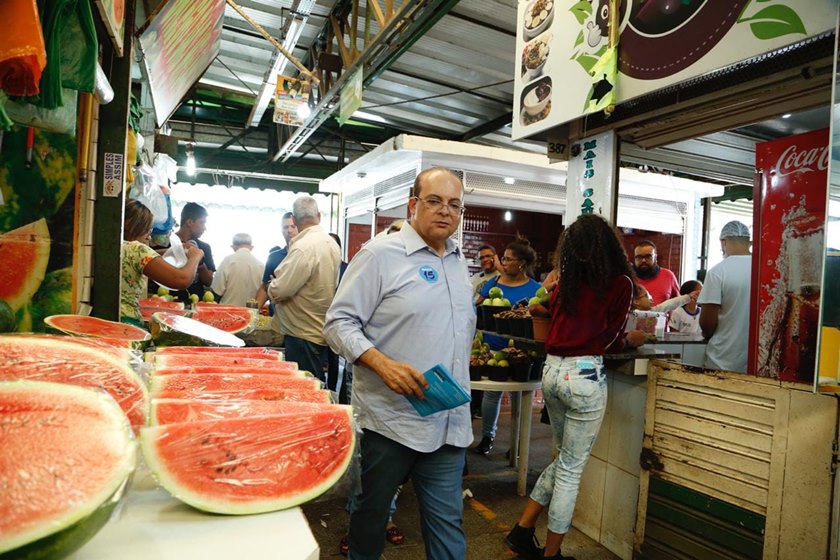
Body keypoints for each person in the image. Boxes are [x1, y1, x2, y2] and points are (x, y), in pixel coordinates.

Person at [324, 166, 474, 560]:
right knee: (370, 519)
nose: (445, 212)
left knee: (448, 525)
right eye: (435, 201)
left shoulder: (460, 263)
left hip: (446, 423)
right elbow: (338, 323)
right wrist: (381, 363)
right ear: (413, 205)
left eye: (454, 205)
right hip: (389, 423)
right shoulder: (379, 255)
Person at [505, 214, 644, 560]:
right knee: (571, 469)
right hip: (584, 375)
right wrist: (633, 338)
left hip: (551, 372)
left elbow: (539, 307)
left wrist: (550, 294)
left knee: (563, 460)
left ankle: (521, 533)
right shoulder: (620, 284)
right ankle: (551, 554)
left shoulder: (567, 281)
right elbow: (610, 339)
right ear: (609, 245)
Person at [475, 237, 542, 455]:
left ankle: (518, 444)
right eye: (503, 258)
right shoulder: (492, 285)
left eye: (508, 259)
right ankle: (488, 437)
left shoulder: (536, 289)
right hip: (493, 348)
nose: (503, 263)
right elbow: (477, 306)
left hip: (522, 353)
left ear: (521, 263)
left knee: (521, 399)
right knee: (491, 395)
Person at [268, 196, 340, 381]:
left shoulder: (303, 247)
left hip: (301, 331)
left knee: (305, 385)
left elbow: (280, 290)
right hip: (320, 326)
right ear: (319, 216)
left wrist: (273, 285)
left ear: (294, 218)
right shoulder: (331, 243)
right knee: (315, 382)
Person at [120, 200, 203, 324]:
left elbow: (143, 258)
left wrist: (173, 251)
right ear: (129, 224)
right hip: (127, 321)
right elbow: (182, 279)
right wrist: (195, 256)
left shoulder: (117, 247)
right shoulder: (137, 249)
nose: (148, 236)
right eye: (146, 230)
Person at [698, 221, 752, 373]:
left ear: (723, 241)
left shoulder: (717, 272)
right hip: (755, 362)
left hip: (722, 359)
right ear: (749, 242)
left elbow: (707, 322)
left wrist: (707, 334)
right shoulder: (763, 269)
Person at [255, 211, 298, 320]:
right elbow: (264, 288)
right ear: (281, 230)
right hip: (276, 319)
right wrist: (252, 312)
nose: (289, 230)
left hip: (300, 322)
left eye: (293, 226)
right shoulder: (273, 257)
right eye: (285, 227)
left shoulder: (308, 255)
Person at [172, 202, 215, 303]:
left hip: (195, 304)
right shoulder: (167, 244)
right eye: (202, 222)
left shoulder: (204, 248)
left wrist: (199, 262)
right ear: (190, 222)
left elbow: (208, 281)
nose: (205, 228)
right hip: (165, 301)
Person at [209, 233, 264, 307]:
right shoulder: (260, 265)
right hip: (250, 313)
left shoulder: (227, 261)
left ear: (233, 247)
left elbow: (217, 290)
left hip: (227, 311)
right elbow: (263, 292)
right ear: (251, 247)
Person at [632, 240, 680, 305]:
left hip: (662, 315)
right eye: (639, 257)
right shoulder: (628, 278)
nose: (643, 260)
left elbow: (678, 303)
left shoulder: (668, 276)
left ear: (655, 258)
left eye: (648, 257)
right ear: (634, 259)